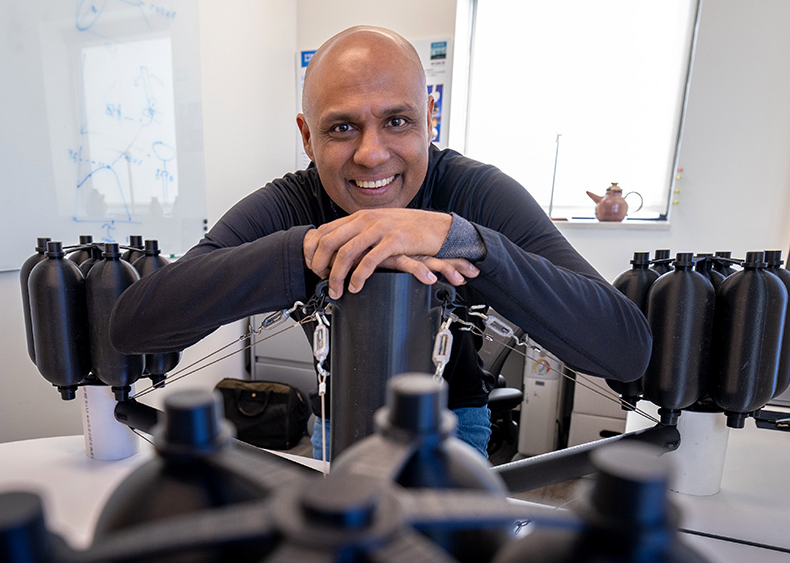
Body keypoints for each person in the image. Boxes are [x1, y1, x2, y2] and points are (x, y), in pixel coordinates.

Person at [110, 26, 652, 459]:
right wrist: (306, 251)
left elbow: (624, 349)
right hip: (335, 420)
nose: (372, 154)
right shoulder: (290, 204)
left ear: (429, 119)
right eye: (342, 128)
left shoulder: (475, 192)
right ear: (306, 135)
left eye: (397, 120)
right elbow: (136, 325)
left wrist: (462, 239)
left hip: (452, 424)